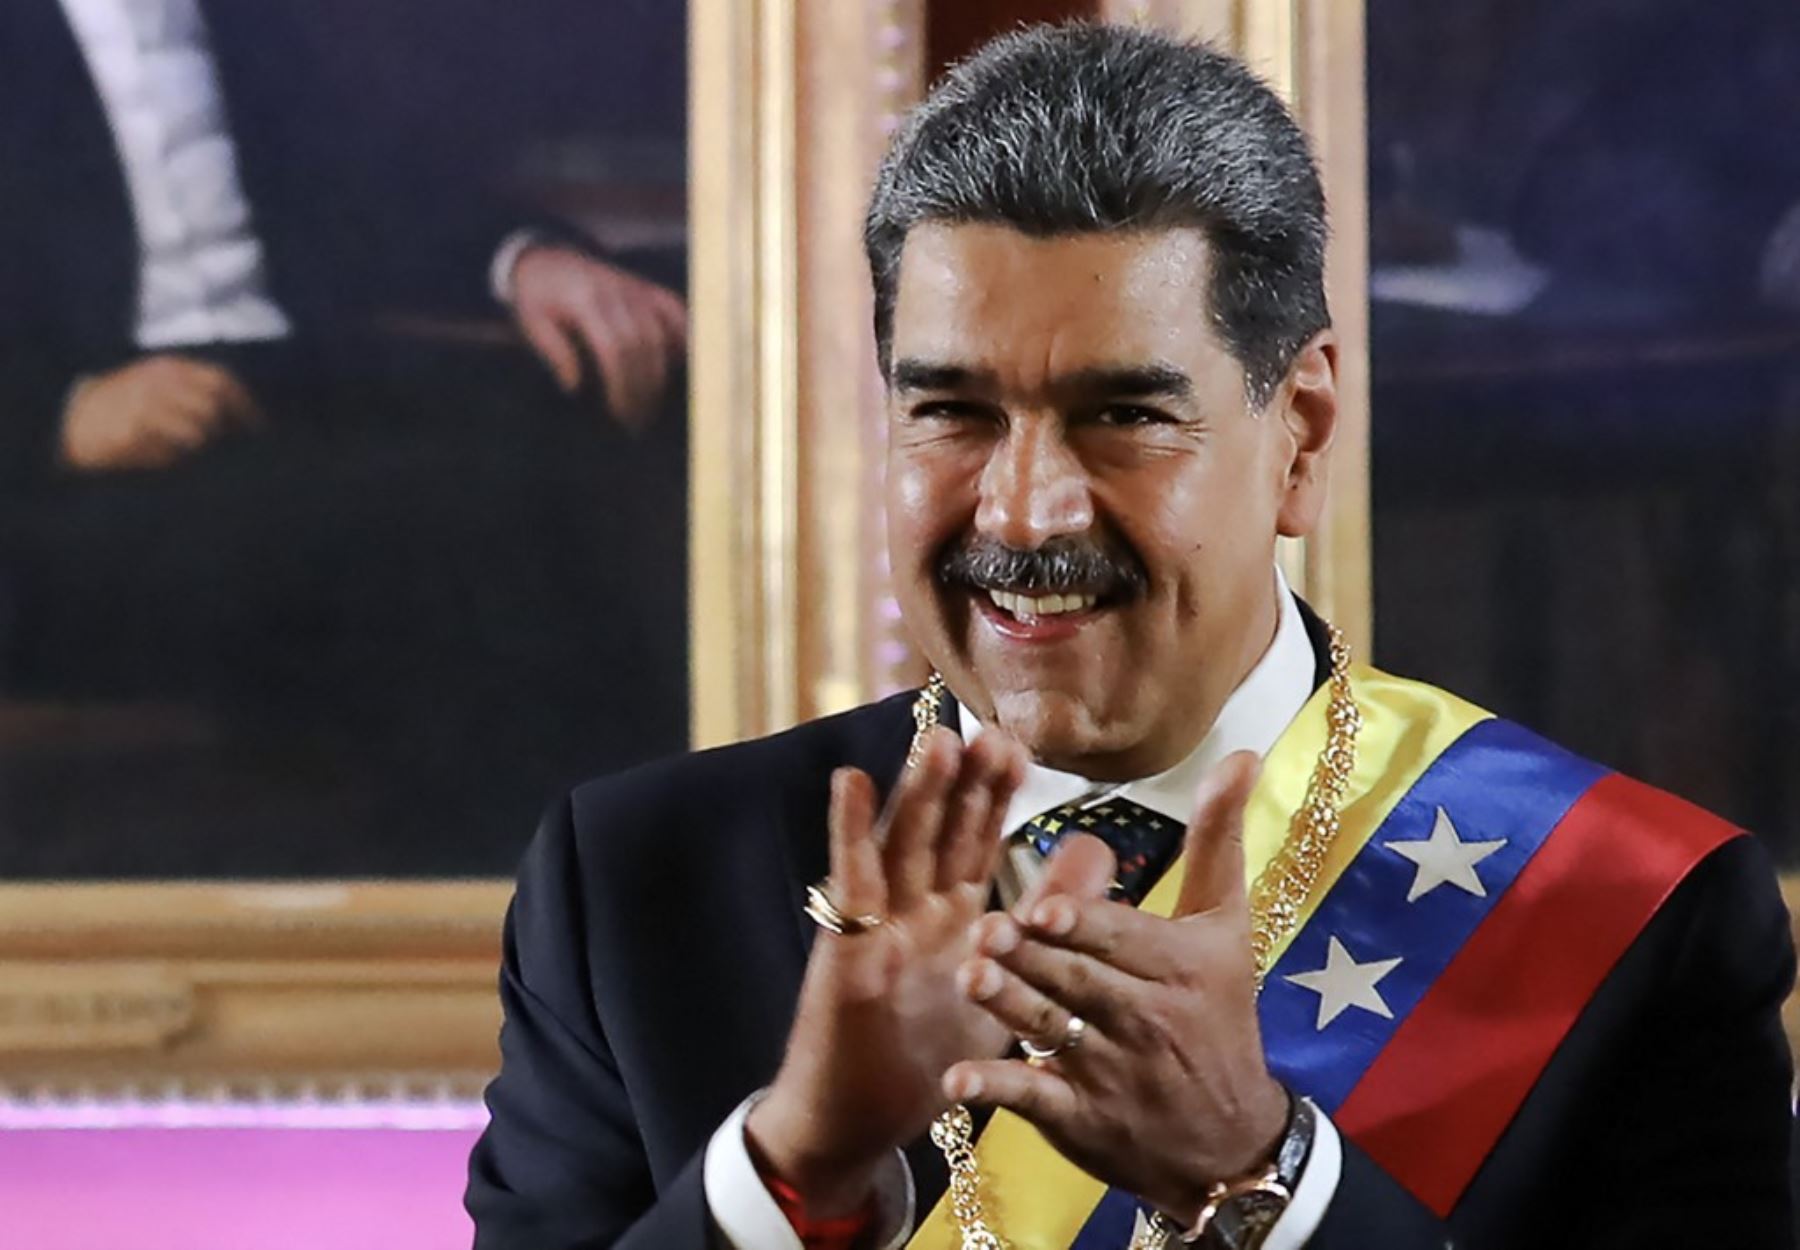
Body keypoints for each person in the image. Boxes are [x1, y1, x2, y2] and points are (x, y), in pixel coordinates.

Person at [465, 23, 1795, 1249]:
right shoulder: (634, 889)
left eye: (1123, 415)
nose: (1027, 509)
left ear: (1302, 435)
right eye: (952, 410)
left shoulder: (1623, 914)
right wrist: (788, 1172)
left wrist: (1270, 1176)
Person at [0, 0, 689, 870]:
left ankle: (648, 898)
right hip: (56, 483)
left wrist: (526, 260)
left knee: (623, 404)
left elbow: (373, 183)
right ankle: (495, 913)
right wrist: (56, 419)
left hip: (289, 384)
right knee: (449, 528)